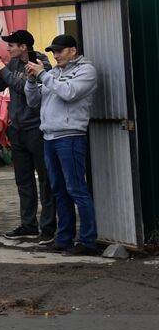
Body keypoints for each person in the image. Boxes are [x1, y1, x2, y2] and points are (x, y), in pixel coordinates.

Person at [25, 34, 101, 256]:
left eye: (59, 51)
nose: (55, 56)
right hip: (50, 137)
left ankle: (88, 241)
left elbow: (69, 93)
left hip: (71, 136)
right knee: (59, 190)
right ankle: (64, 238)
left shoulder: (86, 71)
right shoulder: (54, 73)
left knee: (76, 188)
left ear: (72, 51)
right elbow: (33, 102)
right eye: (53, 52)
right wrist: (31, 80)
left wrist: (43, 75)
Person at [0, 30, 54, 243]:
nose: (8, 49)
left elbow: (20, 86)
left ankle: (48, 228)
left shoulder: (40, 62)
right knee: (23, 181)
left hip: (37, 129)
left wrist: (0, 64)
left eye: (12, 45)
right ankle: (28, 225)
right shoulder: (13, 64)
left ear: (24, 47)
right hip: (17, 130)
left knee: (45, 180)